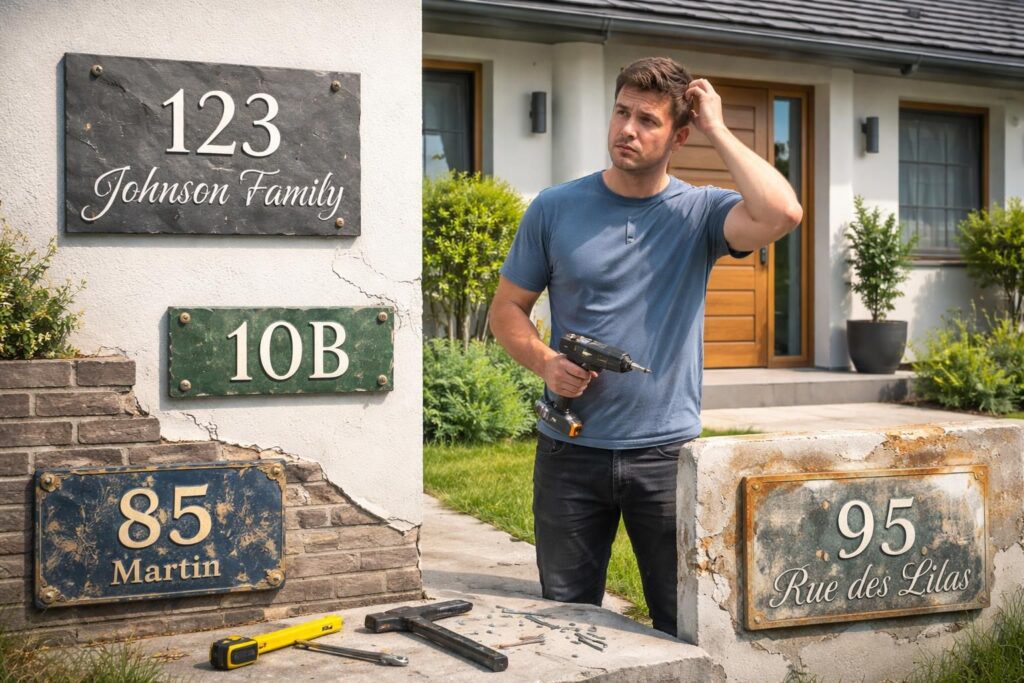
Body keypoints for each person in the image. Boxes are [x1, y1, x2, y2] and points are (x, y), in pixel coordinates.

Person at [489, 57, 802, 637]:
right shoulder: (555, 208)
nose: (627, 129)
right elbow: (506, 309)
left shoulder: (700, 213)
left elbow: (783, 211)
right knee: (565, 620)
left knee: (681, 619)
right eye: (621, 113)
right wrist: (545, 362)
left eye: (648, 121)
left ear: (679, 136)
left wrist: (718, 128)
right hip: (569, 453)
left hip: (666, 457)